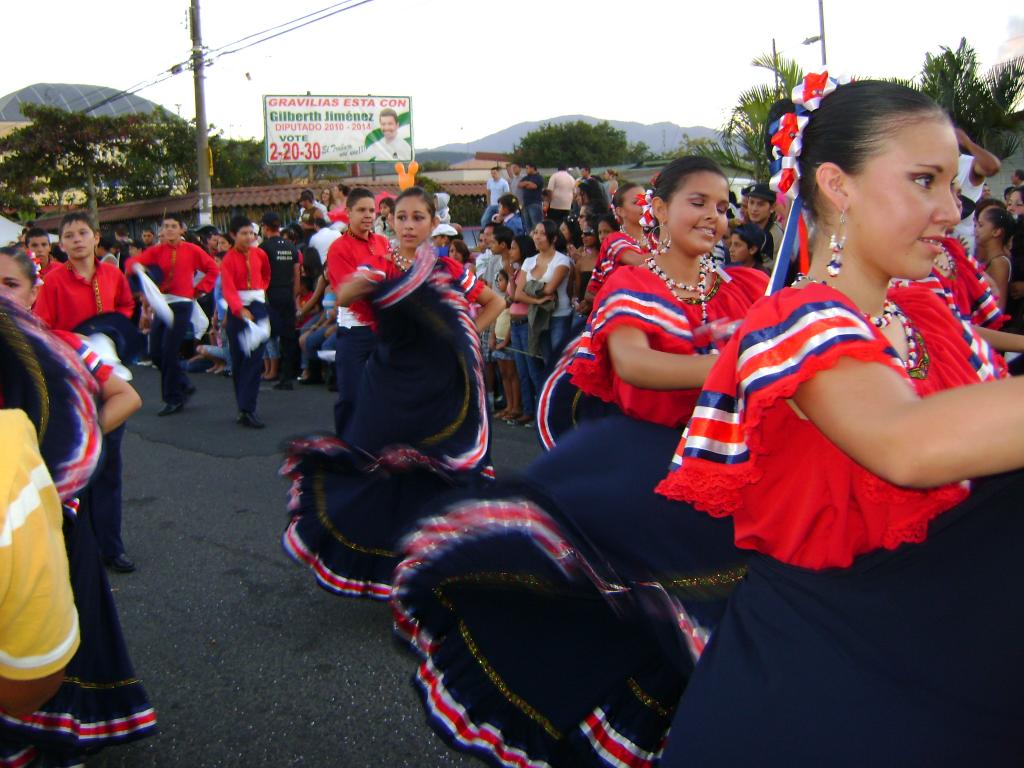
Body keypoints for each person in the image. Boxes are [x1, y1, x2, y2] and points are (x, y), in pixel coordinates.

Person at [654, 76, 1024, 766]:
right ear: (837, 184)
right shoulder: (796, 318)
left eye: (951, 184)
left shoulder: (930, 314)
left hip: (948, 661)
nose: (952, 209)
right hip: (828, 682)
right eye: (924, 180)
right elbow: (906, 444)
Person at [391, 157, 767, 768]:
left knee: (695, 631)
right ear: (660, 211)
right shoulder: (633, 286)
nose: (713, 216)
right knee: (618, 619)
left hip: (725, 477)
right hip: (648, 471)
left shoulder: (747, 289)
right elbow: (638, 366)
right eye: (698, 201)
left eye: (722, 206)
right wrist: (741, 366)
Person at [282, 187, 504, 599]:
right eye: (401, 217)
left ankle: (440, 562)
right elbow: (343, 294)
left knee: (440, 470)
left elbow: (495, 300)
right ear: (391, 221)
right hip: (391, 383)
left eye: (418, 217)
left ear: (433, 224)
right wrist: (372, 280)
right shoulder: (380, 264)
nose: (409, 225)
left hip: (440, 388)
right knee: (377, 467)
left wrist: (463, 338)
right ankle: (387, 565)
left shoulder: (450, 269)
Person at [0, 278, 154, 764]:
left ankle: (57, 729)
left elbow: (126, 398)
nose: (1, 294)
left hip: (51, 504)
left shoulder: (64, 346)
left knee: (53, 619)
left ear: (30, 294)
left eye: (10, 283)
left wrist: (62, 453)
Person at [33, 215, 138, 574]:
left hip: (110, 381)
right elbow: (43, 328)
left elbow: (127, 307)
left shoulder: (113, 275)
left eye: (83, 233)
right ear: (61, 245)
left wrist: (111, 332)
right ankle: (75, 545)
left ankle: (111, 546)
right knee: (76, 465)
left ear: (95, 238)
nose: (77, 240)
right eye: (69, 236)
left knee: (109, 465)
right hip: (72, 381)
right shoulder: (52, 282)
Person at [125, 213, 219, 416]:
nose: (168, 229)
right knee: (156, 353)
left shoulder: (192, 250)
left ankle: (173, 398)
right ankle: (183, 383)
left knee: (168, 351)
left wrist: (198, 290)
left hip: (183, 304)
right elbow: (131, 264)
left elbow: (213, 269)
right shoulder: (157, 251)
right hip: (162, 304)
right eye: (165, 226)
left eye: (173, 226)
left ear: (181, 229)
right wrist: (136, 267)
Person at [325, 187, 392, 435]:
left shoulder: (383, 243)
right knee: (351, 395)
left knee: (385, 394)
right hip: (355, 331)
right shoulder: (339, 248)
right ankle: (345, 445)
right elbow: (347, 292)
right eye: (361, 210)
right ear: (348, 212)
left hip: (383, 329)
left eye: (371, 210)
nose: (368, 215)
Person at [220, 217, 271, 428]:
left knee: (255, 359)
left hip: (257, 306)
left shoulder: (260, 254)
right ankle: (243, 407)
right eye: (244, 233)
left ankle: (248, 407)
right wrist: (239, 309)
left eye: (251, 233)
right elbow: (228, 288)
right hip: (237, 310)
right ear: (233, 235)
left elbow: (266, 275)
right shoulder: (228, 259)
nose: (249, 237)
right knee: (238, 359)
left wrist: (258, 294)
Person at [260, 212, 301, 390]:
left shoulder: (263, 248)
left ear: (265, 227)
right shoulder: (291, 247)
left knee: (268, 335)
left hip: (270, 294)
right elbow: (297, 273)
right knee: (288, 336)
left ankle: (269, 371)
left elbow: (259, 273)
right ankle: (287, 376)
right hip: (288, 293)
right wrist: (295, 295)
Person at [520, 162, 545, 229]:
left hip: (535, 204)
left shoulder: (539, 177)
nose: (526, 170)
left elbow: (533, 186)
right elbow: (519, 185)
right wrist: (527, 183)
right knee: (527, 226)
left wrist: (526, 183)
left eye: (527, 168)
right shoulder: (526, 177)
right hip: (526, 205)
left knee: (536, 225)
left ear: (532, 168)